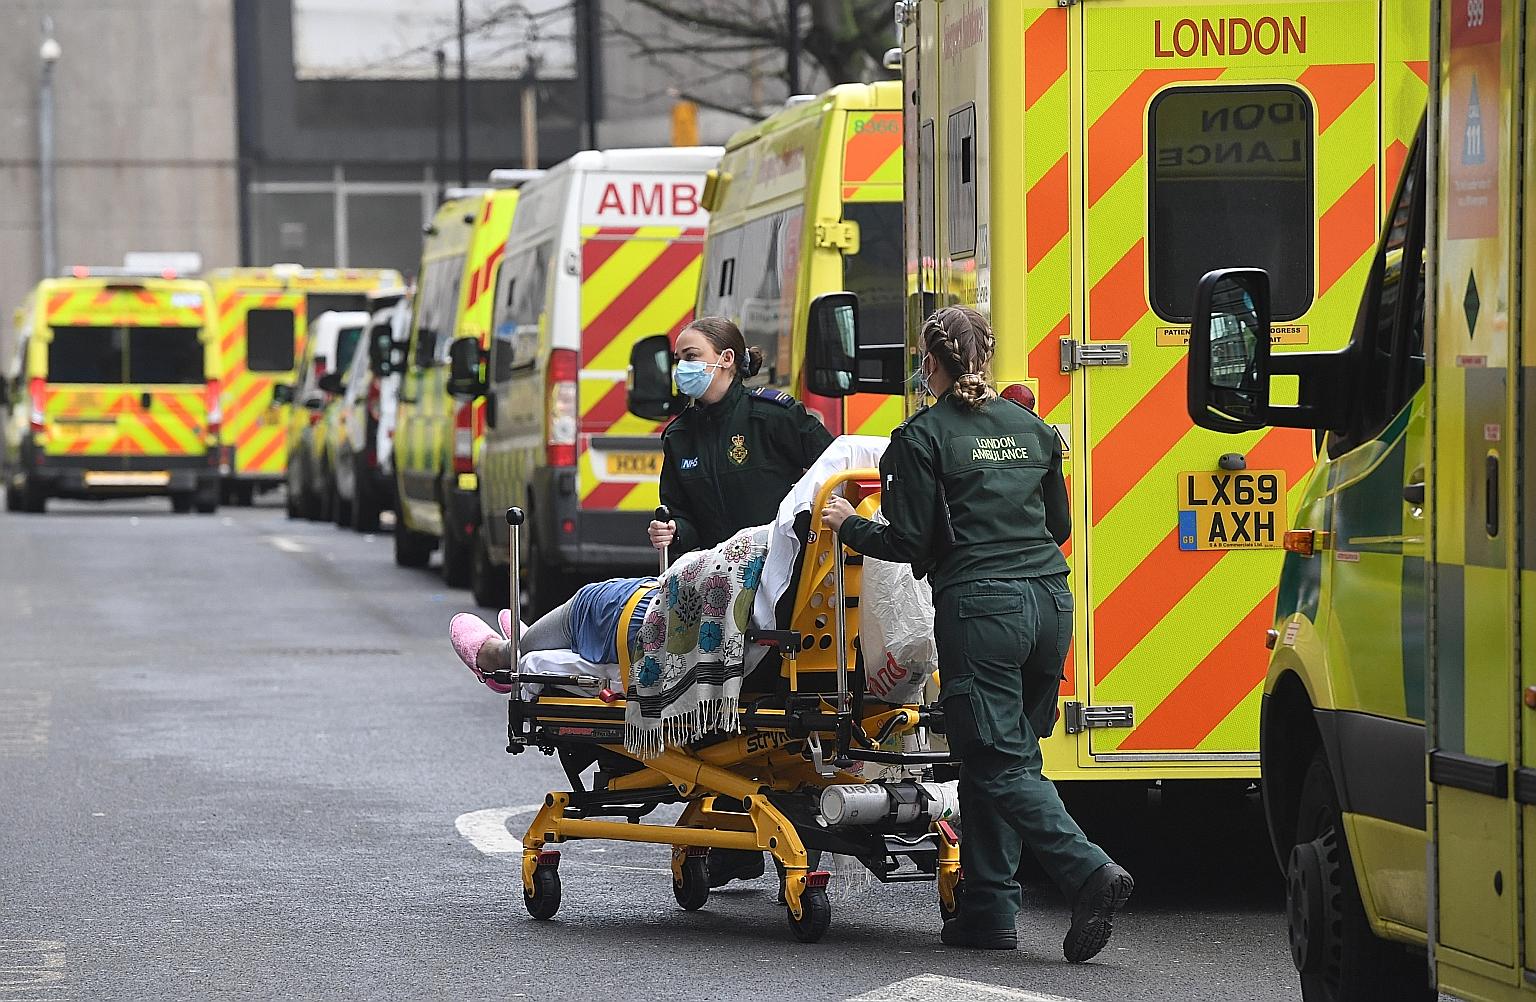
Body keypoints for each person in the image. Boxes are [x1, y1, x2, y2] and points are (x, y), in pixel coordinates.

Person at [822, 306, 1133, 962]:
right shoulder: (1032, 428)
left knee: (996, 758)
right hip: (1050, 604)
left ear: (929, 364)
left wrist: (848, 522)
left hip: (983, 611)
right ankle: (989, 910)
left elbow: (908, 541)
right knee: (1007, 756)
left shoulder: (921, 437)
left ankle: (1088, 872)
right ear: (985, 358)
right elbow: (1059, 525)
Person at [647, 315, 833, 888]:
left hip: (784, 592)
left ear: (726, 360)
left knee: (784, 720)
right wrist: (669, 531)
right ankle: (735, 842)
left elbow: (833, 470)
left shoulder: (773, 417)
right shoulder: (679, 437)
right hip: (718, 593)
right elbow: (677, 512)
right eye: (679, 356)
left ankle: (794, 845)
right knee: (724, 715)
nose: (682, 366)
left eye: (692, 354)